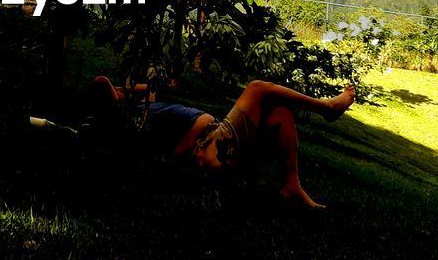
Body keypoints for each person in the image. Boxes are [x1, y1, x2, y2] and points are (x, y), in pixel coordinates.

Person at [84, 76, 356, 209]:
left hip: (217, 143)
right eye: (115, 90)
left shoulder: (145, 111)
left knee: (280, 114)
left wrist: (128, 90)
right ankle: (326, 108)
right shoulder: (133, 122)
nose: (120, 89)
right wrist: (118, 99)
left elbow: (156, 87)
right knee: (257, 88)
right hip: (211, 147)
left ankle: (291, 184)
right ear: (113, 103)